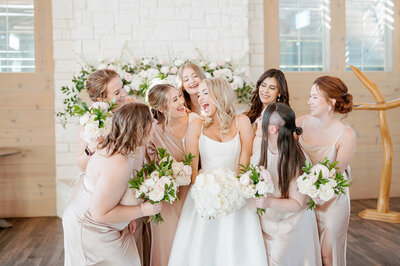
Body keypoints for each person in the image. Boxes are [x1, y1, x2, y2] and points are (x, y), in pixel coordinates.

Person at [168, 78, 268, 266]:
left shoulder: (242, 121)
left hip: (237, 195)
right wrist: (206, 194)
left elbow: (244, 163)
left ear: (220, 94)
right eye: (199, 95)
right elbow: (192, 169)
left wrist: (232, 192)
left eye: (205, 93)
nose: (200, 98)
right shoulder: (197, 125)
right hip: (203, 198)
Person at [63, 103, 162, 266]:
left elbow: (116, 194)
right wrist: (142, 210)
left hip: (104, 219)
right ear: (139, 130)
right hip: (89, 226)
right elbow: (99, 213)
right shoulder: (117, 163)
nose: (155, 123)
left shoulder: (130, 147)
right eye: (151, 120)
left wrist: (129, 215)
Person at [297, 76, 356, 266]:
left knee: (328, 255)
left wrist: (320, 195)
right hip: (303, 198)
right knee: (307, 250)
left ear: (331, 102)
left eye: (314, 97)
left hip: (333, 199)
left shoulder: (346, 134)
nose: (309, 101)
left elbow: (337, 175)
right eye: (310, 96)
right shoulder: (300, 124)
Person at [253, 103, 322, 266]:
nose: (257, 120)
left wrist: (268, 202)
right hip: (268, 221)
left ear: (273, 129)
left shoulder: (295, 159)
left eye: (262, 118)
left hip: (290, 226)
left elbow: (298, 203)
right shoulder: (263, 146)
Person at [146, 83, 200, 266]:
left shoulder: (196, 121)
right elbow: (149, 168)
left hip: (193, 195)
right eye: (174, 99)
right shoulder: (154, 132)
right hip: (167, 198)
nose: (181, 101)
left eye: (180, 96)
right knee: (166, 245)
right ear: (161, 108)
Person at [77, 69, 127, 171]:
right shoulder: (92, 121)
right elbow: (82, 165)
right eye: (117, 93)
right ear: (101, 98)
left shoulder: (127, 110)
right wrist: (92, 147)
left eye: (122, 87)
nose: (124, 94)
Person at [248, 69, 290, 163]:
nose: (265, 91)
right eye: (263, 85)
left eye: (272, 88)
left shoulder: (281, 117)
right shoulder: (249, 113)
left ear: (279, 92)